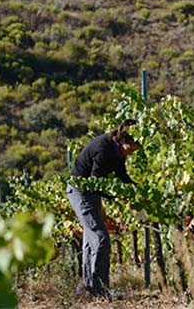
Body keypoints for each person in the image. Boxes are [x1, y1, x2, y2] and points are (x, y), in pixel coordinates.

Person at [66, 119, 140, 299]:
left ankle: (87, 287)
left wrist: (138, 191)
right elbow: (95, 182)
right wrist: (116, 197)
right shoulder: (103, 148)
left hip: (90, 193)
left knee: (90, 239)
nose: (130, 154)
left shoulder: (117, 151)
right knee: (100, 237)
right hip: (81, 191)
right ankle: (100, 290)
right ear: (124, 142)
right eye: (131, 150)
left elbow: (122, 175)